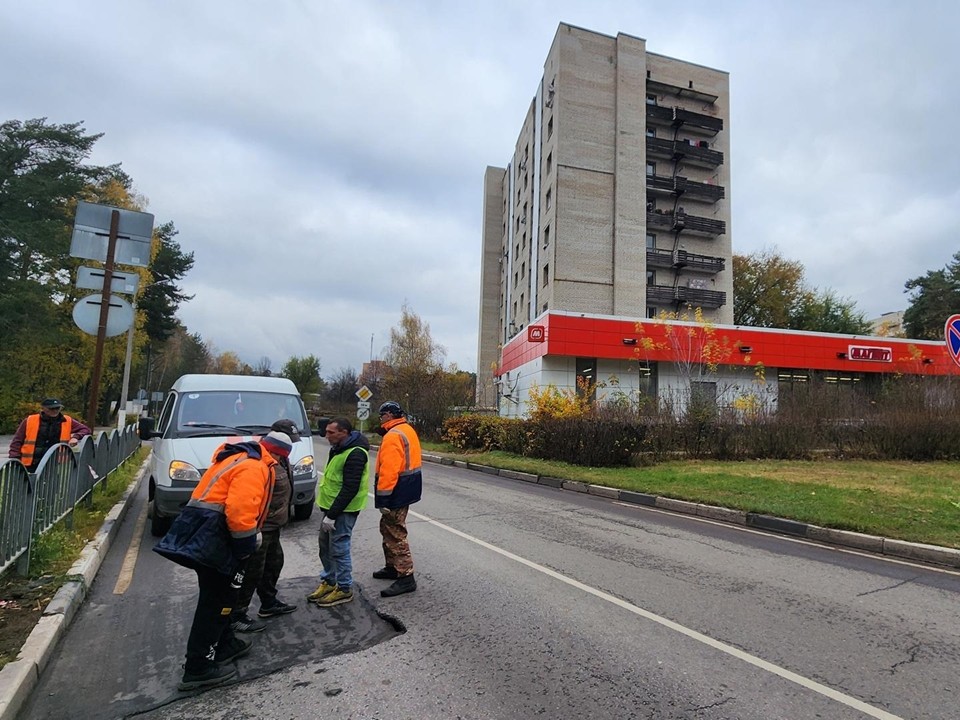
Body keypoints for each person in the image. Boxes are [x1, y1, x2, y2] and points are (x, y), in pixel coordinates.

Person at [154, 431, 289, 691]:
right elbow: (239, 511)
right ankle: (199, 667)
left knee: (223, 599)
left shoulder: (235, 458)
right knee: (215, 603)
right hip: (219, 538)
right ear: (277, 455)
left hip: (205, 532)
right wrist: (246, 545)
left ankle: (225, 643)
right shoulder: (254, 467)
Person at [230, 422, 300, 632]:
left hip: (274, 526)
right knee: (252, 572)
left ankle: (268, 603)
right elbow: (245, 500)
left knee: (273, 564)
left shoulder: (281, 458)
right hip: (260, 528)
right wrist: (251, 529)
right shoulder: (258, 463)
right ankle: (236, 614)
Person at [307, 417, 369, 607]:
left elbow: (350, 488)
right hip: (330, 508)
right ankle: (329, 581)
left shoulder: (356, 454)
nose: (326, 436)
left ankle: (344, 588)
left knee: (339, 549)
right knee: (325, 547)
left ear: (345, 432)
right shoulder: (338, 448)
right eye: (326, 432)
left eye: (331, 432)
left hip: (343, 511)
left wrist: (332, 515)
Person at [371, 401, 422, 597]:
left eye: (382, 415)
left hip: (396, 491)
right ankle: (392, 567)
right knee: (387, 528)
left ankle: (406, 577)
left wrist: (384, 499)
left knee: (395, 533)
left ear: (390, 415)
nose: (380, 418)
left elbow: (389, 470)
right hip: (407, 488)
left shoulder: (393, 435)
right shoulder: (406, 429)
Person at [8, 398, 91, 472]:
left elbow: (85, 430)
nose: (55, 411)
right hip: (29, 463)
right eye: (51, 408)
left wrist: (76, 437)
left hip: (54, 464)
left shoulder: (67, 420)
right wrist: (15, 458)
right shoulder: (30, 420)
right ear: (43, 408)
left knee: (49, 487)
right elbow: (17, 440)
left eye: (57, 408)